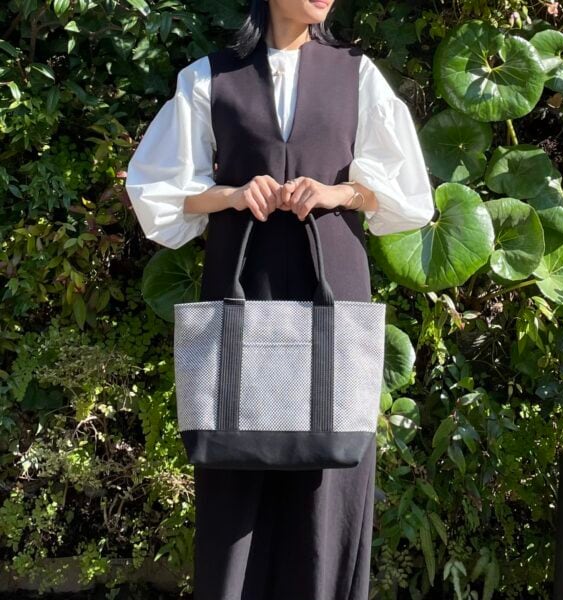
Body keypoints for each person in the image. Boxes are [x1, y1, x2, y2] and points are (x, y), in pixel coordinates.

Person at [125, 1, 435, 598]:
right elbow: (158, 194)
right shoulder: (209, 77)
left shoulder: (357, 73)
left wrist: (338, 192)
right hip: (243, 284)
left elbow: (407, 196)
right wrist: (233, 194)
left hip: (331, 284)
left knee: (328, 473)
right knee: (234, 466)